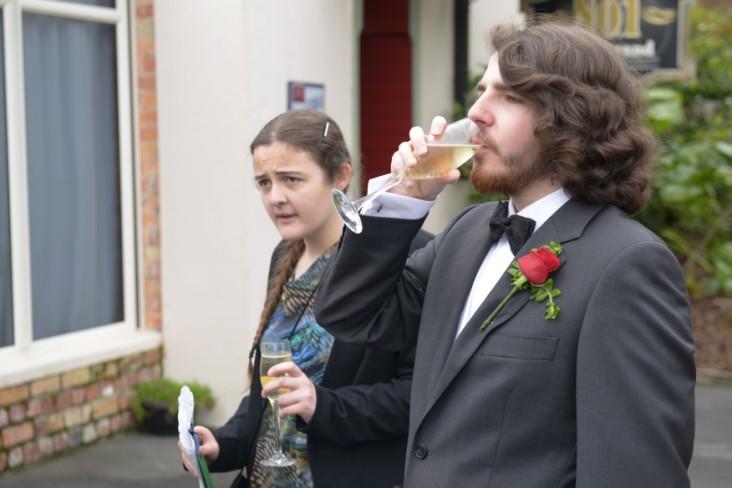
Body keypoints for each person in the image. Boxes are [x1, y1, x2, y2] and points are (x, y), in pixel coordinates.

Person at [314, 21, 695, 487]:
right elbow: (350, 315)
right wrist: (404, 202)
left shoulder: (628, 264)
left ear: (574, 117)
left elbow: (633, 472)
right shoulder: (466, 232)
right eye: (481, 92)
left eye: (510, 96)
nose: (476, 113)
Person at [179, 109, 432, 488]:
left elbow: (419, 395)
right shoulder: (285, 255)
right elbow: (268, 393)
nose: (275, 197)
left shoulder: (408, 255)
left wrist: (322, 406)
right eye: (264, 183)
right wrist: (224, 443)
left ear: (341, 176)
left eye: (291, 180)